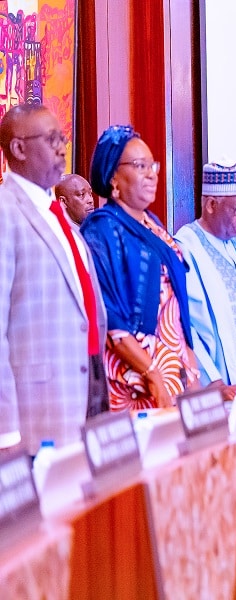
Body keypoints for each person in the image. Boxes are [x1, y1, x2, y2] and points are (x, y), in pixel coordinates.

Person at [0, 104, 108, 456]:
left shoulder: (59, 216)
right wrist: (5, 430)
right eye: (51, 139)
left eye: (62, 138)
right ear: (18, 148)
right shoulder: (5, 212)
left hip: (88, 386)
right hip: (37, 412)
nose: (63, 147)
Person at [81, 124, 204, 411]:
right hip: (135, 378)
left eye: (153, 165)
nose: (151, 174)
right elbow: (109, 317)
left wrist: (191, 366)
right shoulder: (102, 230)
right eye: (140, 166)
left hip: (172, 369)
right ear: (113, 176)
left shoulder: (153, 224)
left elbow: (174, 306)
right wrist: (152, 375)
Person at [175, 159, 236, 391]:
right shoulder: (187, 247)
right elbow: (184, 325)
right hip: (220, 384)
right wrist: (213, 382)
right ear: (211, 204)